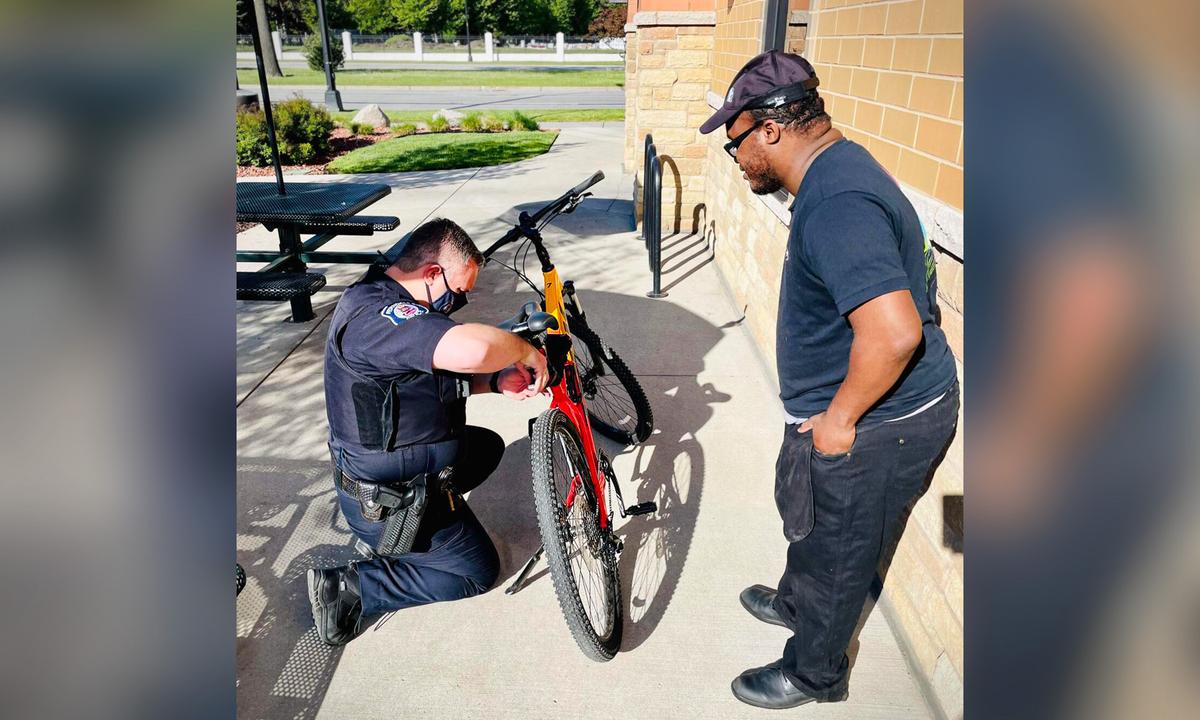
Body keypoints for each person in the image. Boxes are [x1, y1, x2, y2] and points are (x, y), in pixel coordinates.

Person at [699, 51, 960, 709]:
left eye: (737, 143)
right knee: (812, 523)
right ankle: (797, 602)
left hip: (877, 423)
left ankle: (816, 672)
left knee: (840, 552)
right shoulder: (835, 172)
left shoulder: (838, 201)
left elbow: (895, 331)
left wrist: (840, 420)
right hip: (860, 410)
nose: (737, 159)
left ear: (771, 129)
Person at [307, 218, 548, 646]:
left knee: (487, 447)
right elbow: (472, 349)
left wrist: (492, 382)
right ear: (432, 273)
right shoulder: (378, 319)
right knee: (475, 572)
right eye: (458, 292)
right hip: (386, 498)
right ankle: (352, 586)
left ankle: (421, 531)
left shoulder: (386, 301)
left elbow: (416, 383)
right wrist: (525, 349)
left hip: (404, 473)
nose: (461, 301)